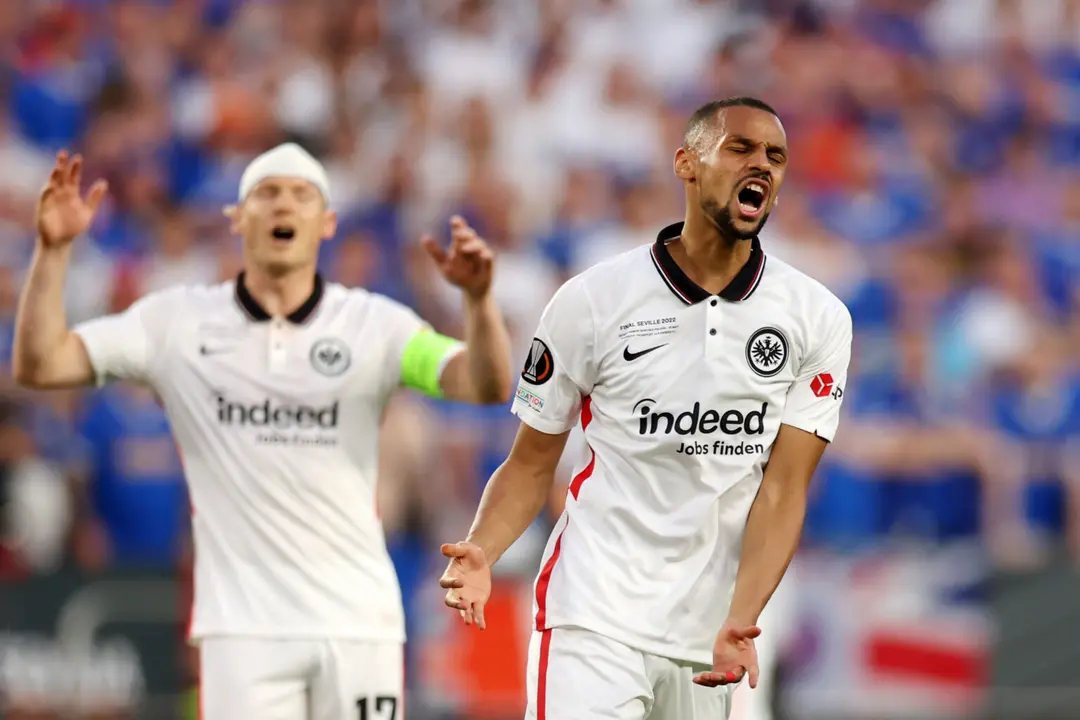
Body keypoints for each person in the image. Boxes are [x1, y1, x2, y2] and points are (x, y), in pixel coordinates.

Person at [13, 142, 514, 719]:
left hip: (356, 623)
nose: (284, 205)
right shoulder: (176, 323)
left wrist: (479, 303)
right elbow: (42, 364)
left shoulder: (375, 324)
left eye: (302, 195)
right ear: (236, 217)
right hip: (241, 632)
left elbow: (483, 384)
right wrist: (52, 252)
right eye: (267, 192)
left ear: (326, 222)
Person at [438, 97, 853, 720]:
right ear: (687, 163)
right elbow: (530, 463)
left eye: (776, 156)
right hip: (594, 611)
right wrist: (482, 548)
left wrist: (742, 618)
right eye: (740, 148)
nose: (761, 166)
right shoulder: (591, 300)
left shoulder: (816, 317)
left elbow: (783, 490)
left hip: (707, 631)